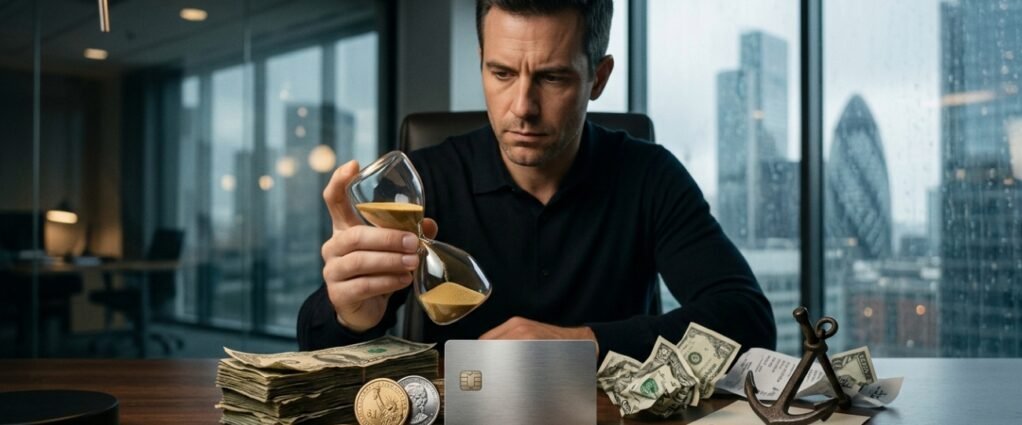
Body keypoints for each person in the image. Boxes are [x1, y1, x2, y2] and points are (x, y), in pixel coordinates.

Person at [298, 0, 776, 363]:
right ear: (482, 62)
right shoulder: (426, 179)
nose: (522, 107)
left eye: (551, 78)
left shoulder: (649, 175)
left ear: (599, 78)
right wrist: (351, 314)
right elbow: (314, 343)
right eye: (501, 73)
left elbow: (748, 321)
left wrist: (578, 343)